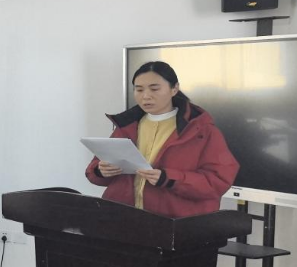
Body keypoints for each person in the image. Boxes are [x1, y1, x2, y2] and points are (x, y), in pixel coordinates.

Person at [86, 61, 239, 217]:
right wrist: (100, 171)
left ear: (174, 89)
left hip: (174, 223)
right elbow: (93, 172)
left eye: (154, 89)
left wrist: (169, 179)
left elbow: (218, 182)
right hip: (123, 218)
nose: (145, 96)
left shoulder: (202, 131)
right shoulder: (126, 126)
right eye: (139, 89)